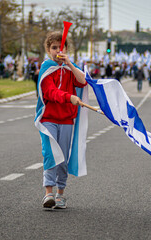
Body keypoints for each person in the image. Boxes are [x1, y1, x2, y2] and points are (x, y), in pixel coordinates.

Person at [35, 32, 87, 209]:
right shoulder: (46, 68)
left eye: (61, 47)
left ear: (66, 49)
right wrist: (69, 97)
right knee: (50, 154)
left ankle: (60, 194)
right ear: (48, 50)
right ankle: (48, 193)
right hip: (48, 118)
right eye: (54, 47)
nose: (58, 50)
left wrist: (69, 64)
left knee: (63, 157)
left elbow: (83, 81)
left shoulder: (69, 69)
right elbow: (49, 92)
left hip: (66, 120)